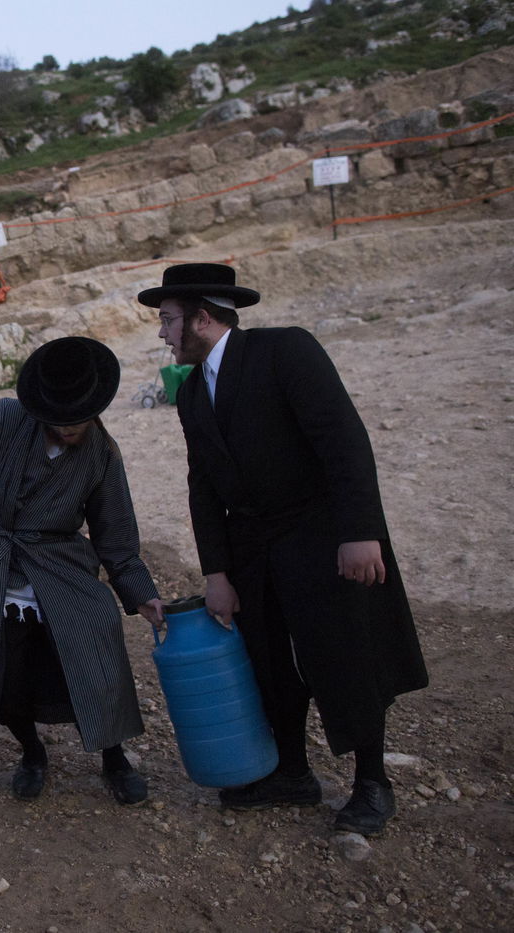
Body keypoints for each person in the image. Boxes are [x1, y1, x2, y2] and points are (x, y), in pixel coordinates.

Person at [142, 262, 427, 836]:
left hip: (323, 535)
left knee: (347, 654)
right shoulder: (192, 391)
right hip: (251, 545)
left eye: (168, 320)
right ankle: (292, 774)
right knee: (268, 660)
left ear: (203, 318)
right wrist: (217, 573)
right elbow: (203, 487)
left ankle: (373, 783)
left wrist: (360, 532)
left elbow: (343, 440)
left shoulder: (285, 351)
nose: (163, 333)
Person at [0, 338, 164, 805]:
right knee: (3, 672)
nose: (70, 429)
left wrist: (140, 592)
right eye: (61, 420)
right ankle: (32, 753)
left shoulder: (102, 453)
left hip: (60, 562)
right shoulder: (2, 420)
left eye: (79, 420)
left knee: (96, 649)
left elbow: (115, 532)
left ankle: (114, 757)